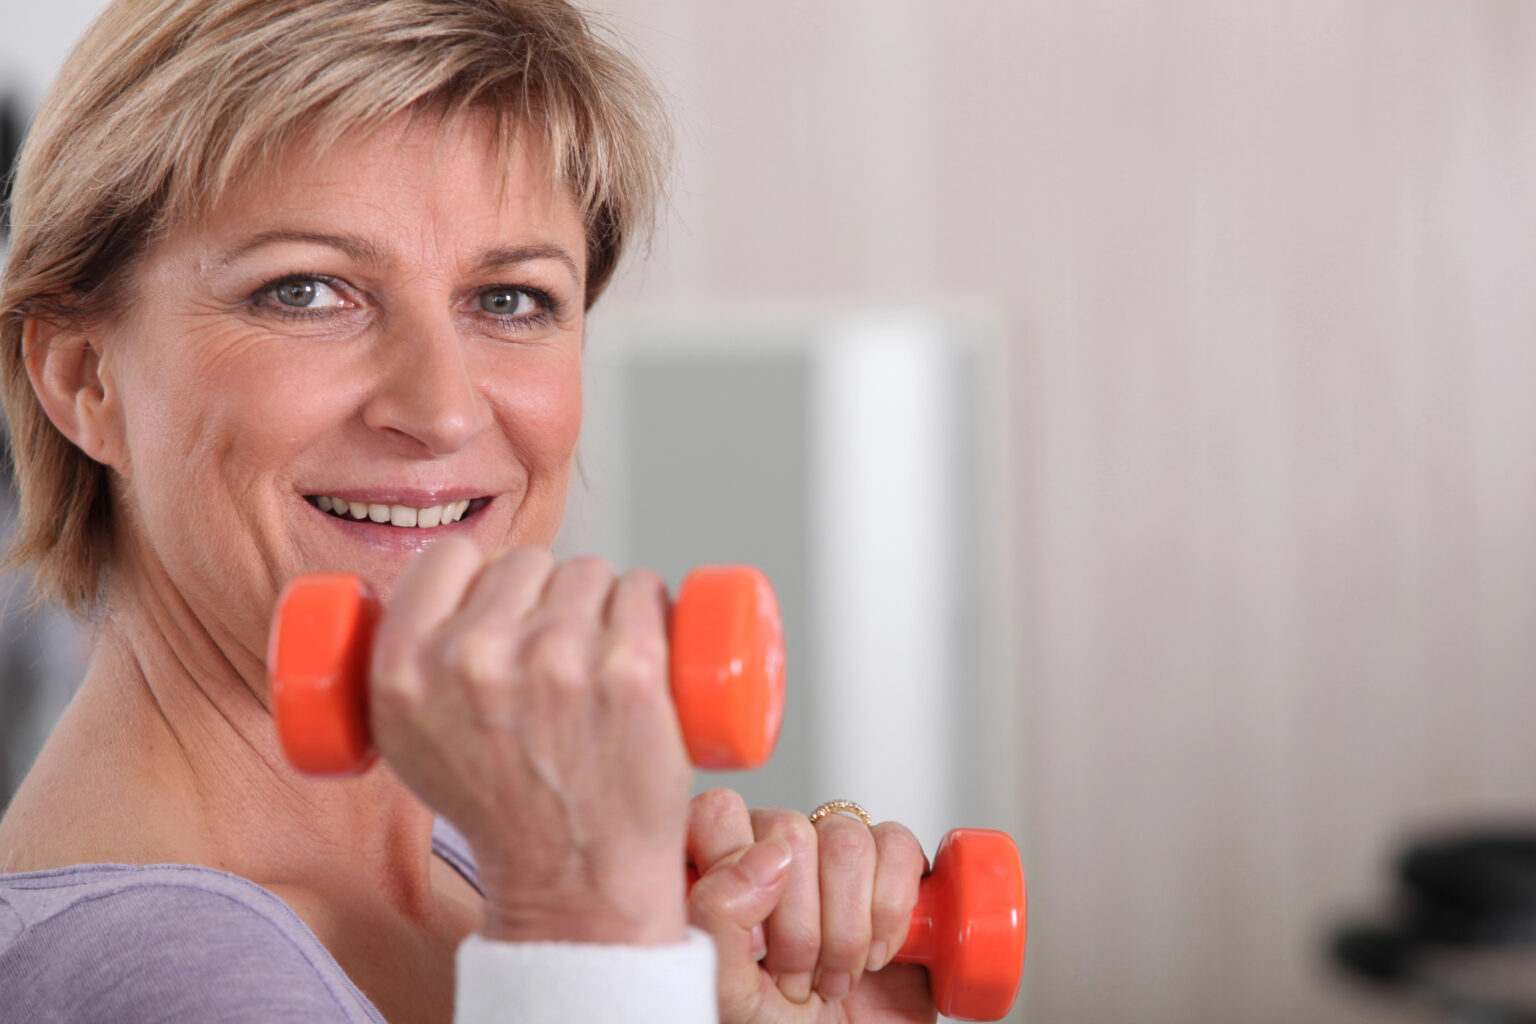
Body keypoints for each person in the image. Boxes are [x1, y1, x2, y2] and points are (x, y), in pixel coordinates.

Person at [0, 1, 938, 1021]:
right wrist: (586, 924)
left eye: (509, 300)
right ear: (83, 377)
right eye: (305, 291)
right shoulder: (159, 979)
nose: (441, 411)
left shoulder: (471, 859)